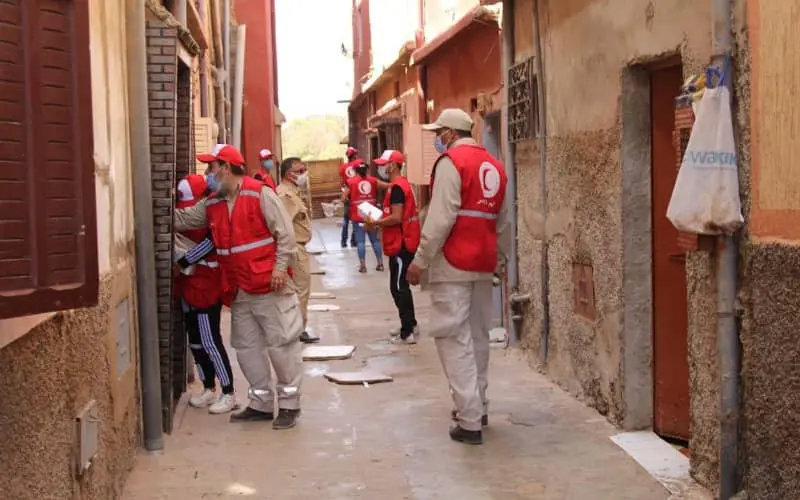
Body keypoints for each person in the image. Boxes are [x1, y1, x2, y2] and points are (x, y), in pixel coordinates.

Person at [175, 143, 304, 430]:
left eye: (211, 167)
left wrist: (280, 269)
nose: (208, 173)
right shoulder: (212, 203)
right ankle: (259, 403)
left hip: (270, 286)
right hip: (240, 290)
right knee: (247, 348)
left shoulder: (261, 194)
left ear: (226, 167)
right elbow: (182, 220)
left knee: (281, 347)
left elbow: (286, 236)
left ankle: (289, 405)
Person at [406, 109, 510, 445]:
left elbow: (440, 218)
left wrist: (420, 260)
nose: (438, 138)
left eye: (440, 132)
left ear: (450, 133)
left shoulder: (452, 162)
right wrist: (501, 259)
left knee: (453, 338)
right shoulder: (494, 166)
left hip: (453, 263)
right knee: (479, 336)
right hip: (483, 262)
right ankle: (478, 407)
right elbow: (504, 221)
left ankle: (468, 421)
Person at [174, 174, 236, 414]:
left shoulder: (212, 209)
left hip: (207, 286)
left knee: (210, 341)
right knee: (197, 343)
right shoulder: (188, 210)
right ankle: (209, 387)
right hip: (188, 286)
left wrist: (183, 261)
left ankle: (228, 391)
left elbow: (212, 242)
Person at [365, 149, 420, 345]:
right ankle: (409, 324)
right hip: (400, 242)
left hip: (401, 244)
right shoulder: (399, 186)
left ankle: (408, 331)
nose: (381, 167)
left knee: (399, 287)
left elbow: (397, 217)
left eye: (384, 164)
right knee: (399, 286)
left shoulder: (397, 188)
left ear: (393, 165)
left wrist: (376, 223)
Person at [277, 157, 320, 344]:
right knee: (300, 291)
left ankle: (297, 328)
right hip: (294, 249)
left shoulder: (293, 192)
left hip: (298, 248)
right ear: (289, 174)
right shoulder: (285, 196)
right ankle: (298, 330)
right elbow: (283, 226)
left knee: (299, 291)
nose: (304, 174)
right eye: (301, 171)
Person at [343, 159, 384, 273]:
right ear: (366, 169)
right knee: (375, 241)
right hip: (371, 215)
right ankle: (380, 264)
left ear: (355, 170)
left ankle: (363, 266)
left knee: (360, 242)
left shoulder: (351, 182)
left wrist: (350, 199)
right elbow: (386, 186)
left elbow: (343, 198)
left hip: (358, 216)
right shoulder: (373, 180)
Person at [338, 146, 359, 248]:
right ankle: (353, 241)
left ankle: (343, 241)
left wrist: (344, 193)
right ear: (354, 155)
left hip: (347, 196)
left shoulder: (343, 167)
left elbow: (341, 183)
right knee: (356, 219)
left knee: (346, 220)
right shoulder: (358, 165)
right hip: (357, 196)